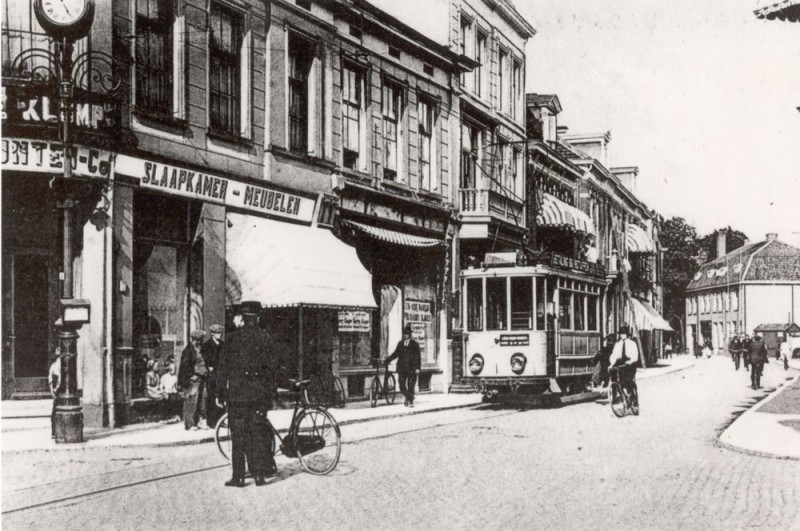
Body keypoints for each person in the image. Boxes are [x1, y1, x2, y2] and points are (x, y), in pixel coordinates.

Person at [216, 301, 278, 487]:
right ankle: (259, 476)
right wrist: (270, 395)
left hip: (237, 396)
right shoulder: (266, 338)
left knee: (238, 436)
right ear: (258, 318)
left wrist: (221, 393)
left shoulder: (232, 339)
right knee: (257, 435)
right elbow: (272, 370)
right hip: (258, 397)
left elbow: (222, 368)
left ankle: (239, 477)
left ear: (242, 318)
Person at [384, 324, 421, 407]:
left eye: (406, 334)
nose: (405, 336)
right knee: (401, 386)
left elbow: (418, 357)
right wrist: (387, 359)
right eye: (404, 334)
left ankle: (410, 401)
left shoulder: (415, 344)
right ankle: (409, 397)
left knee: (411, 386)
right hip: (402, 369)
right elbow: (395, 354)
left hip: (412, 369)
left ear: (410, 335)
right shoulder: (400, 344)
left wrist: (418, 368)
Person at [179, 330, 210, 430]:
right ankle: (190, 424)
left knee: (201, 401)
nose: (201, 342)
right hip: (194, 380)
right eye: (199, 340)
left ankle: (198, 421)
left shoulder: (198, 349)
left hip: (201, 379)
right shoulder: (188, 350)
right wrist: (191, 376)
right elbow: (184, 366)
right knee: (191, 401)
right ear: (195, 340)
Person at [202, 323, 225, 427]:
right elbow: (205, 359)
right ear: (212, 334)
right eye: (217, 333)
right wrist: (209, 367)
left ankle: (221, 420)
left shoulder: (223, 344)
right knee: (211, 397)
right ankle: (211, 421)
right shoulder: (207, 345)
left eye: (220, 332)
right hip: (212, 375)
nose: (219, 334)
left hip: (221, 373)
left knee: (221, 396)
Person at [608, 325, 640, 395]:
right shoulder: (617, 344)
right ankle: (615, 393)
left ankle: (633, 399)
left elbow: (635, 355)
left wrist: (630, 361)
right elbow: (614, 355)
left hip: (630, 364)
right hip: (621, 363)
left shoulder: (632, 344)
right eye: (621, 334)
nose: (622, 335)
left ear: (627, 334)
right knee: (614, 375)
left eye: (624, 334)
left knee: (628, 381)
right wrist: (612, 364)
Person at [48, 347, 62, 439]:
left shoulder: (55, 364)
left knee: (55, 411)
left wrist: (53, 390)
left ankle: (55, 431)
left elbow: (51, 378)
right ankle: (55, 431)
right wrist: (54, 389)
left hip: (57, 390)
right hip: (58, 389)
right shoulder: (55, 364)